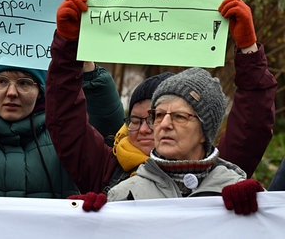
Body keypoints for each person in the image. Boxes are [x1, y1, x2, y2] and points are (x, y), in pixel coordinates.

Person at [46, 0, 277, 197]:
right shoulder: (107, 172)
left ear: (203, 132)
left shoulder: (221, 174)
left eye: (178, 116)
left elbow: (251, 126)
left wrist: (249, 50)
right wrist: (67, 46)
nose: (154, 127)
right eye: (137, 120)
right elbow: (65, 120)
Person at [0, 4, 124, 147]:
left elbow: (109, 138)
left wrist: (86, 63)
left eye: (25, 83)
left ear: (41, 90)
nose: (11, 93)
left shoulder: (64, 141)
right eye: (0, 81)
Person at [104, 67, 264, 215]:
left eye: (179, 116)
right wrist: (89, 218)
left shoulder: (239, 195)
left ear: (204, 132)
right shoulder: (124, 195)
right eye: (159, 115)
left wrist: (258, 207)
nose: (164, 125)